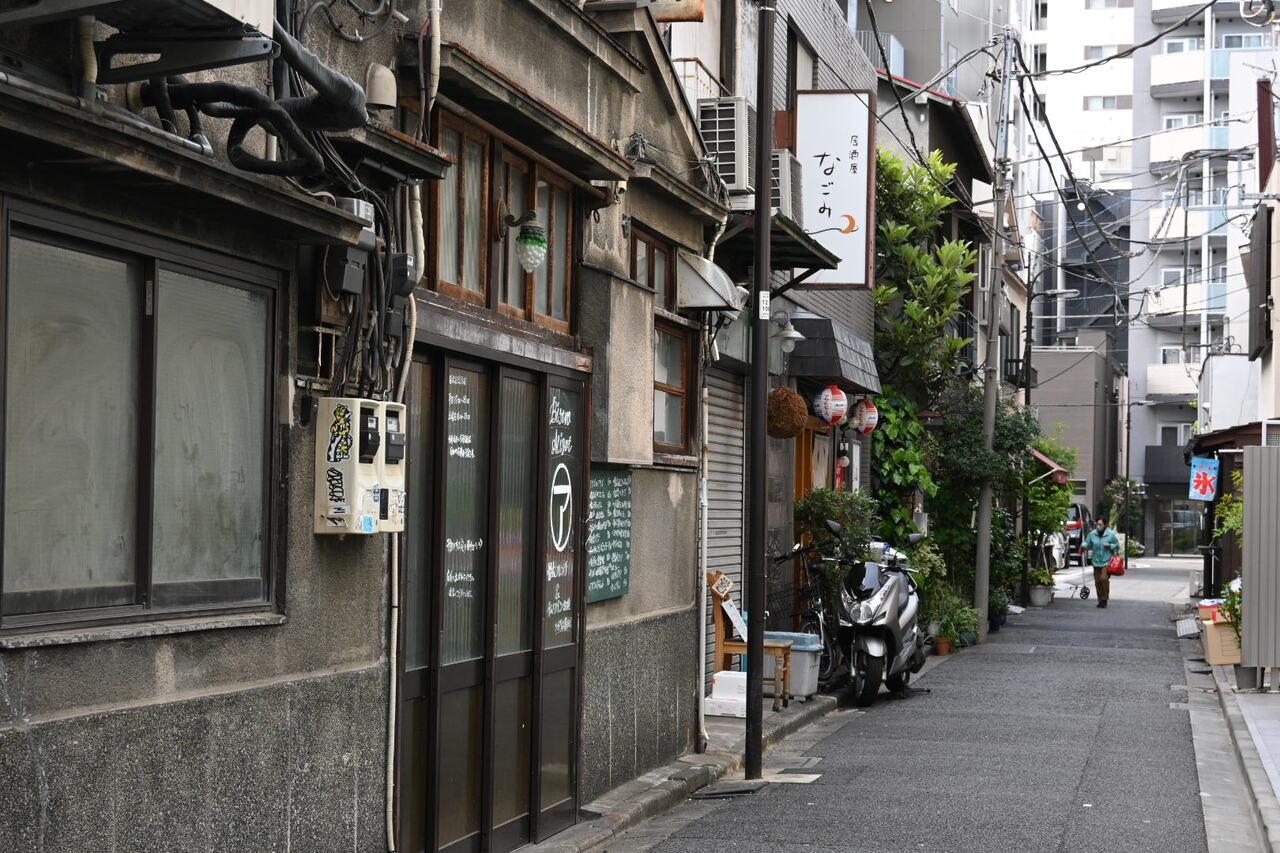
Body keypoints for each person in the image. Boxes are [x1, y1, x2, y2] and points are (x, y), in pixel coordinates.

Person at [1084, 517, 1121, 608]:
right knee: (1097, 581)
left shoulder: (1110, 534)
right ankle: (1100, 600)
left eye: (1100, 524)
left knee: (1103, 579)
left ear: (1105, 525)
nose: (1098, 526)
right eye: (1097, 524)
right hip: (1096, 561)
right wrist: (1083, 545)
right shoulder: (1092, 534)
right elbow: (1087, 543)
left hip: (1106, 561)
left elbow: (1117, 545)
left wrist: (1110, 546)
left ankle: (1104, 598)